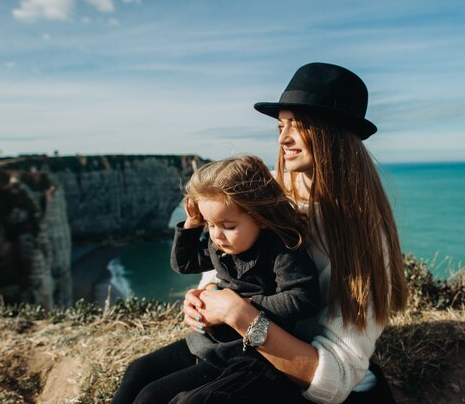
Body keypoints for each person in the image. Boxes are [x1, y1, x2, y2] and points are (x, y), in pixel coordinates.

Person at [179, 62, 408, 404]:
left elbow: (336, 379)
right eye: (280, 125)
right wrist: (207, 293)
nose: (283, 138)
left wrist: (239, 314)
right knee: (139, 381)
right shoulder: (268, 191)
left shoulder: (362, 234)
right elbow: (225, 253)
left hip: (296, 375)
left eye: (297, 126)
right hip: (243, 350)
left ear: (333, 134)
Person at [111, 155, 320, 404]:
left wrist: (242, 306)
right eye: (210, 224)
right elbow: (184, 263)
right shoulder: (221, 245)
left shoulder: (280, 249)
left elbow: (304, 298)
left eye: (228, 225)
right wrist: (191, 224)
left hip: (250, 355)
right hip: (211, 342)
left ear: (261, 217)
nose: (217, 235)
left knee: (152, 396)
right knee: (138, 370)